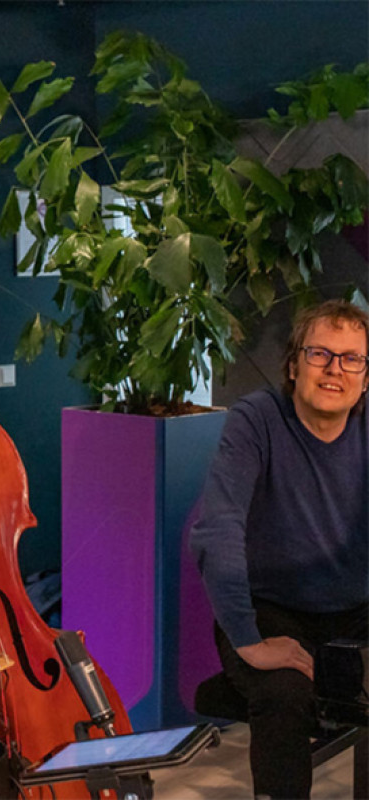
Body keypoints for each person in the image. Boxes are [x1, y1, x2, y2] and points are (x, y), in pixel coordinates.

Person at [190, 299, 368, 799]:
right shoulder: (257, 420)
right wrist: (248, 642)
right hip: (271, 609)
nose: (336, 370)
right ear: (293, 365)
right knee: (284, 694)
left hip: (355, 609)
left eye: (352, 358)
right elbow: (216, 531)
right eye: (320, 355)